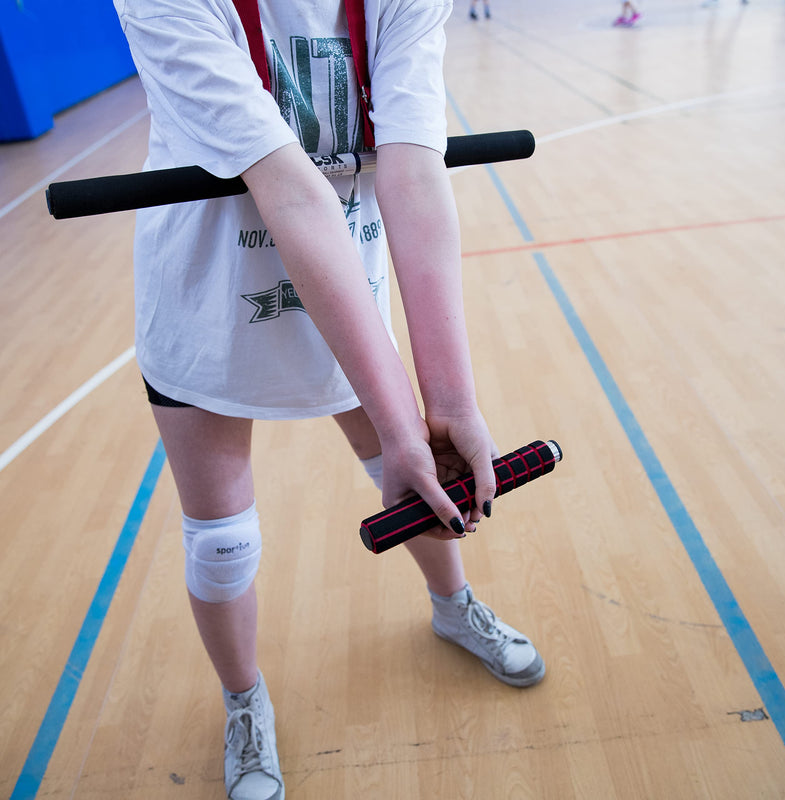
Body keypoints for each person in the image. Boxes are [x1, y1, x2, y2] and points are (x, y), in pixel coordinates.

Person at [114, 0, 545, 797]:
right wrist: (400, 412)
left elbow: (413, 167)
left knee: (419, 467)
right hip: (209, 297)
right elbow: (290, 187)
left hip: (345, 279)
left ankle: (454, 606)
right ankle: (243, 700)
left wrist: (448, 401)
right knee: (221, 543)